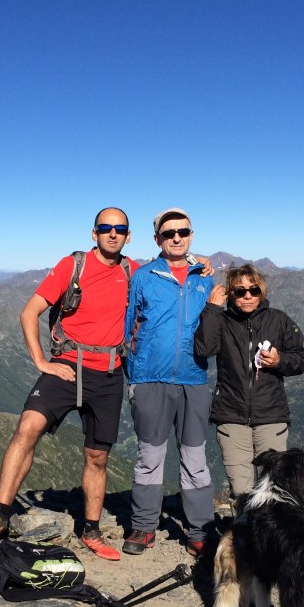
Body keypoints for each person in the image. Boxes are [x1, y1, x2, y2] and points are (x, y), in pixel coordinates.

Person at [0, 208, 137, 561]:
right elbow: (29, 311)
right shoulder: (72, 266)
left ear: (127, 235)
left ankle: (90, 529)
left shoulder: (132, 271)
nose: (112, 234)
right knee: (28, 427)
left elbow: (166, 277)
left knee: (97, 455)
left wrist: (195, 260)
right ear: (94, 233)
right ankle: (0, 515)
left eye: (119, 229)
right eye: (105, 228)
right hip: (66, 366)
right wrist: (41, 362)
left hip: (108, 374)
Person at [122, 208, 216, 557]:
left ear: (191, 235)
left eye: (184, 232)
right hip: (149, 380)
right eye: (169, 232)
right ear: (157, 238)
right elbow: (127, 324)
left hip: (193, 380)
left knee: (195, 459)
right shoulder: (143, 276)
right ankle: (144, 527)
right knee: (150, 457)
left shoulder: (205, 278)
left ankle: (200, 531)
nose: (177, 237)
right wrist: (134, 373)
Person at [193, 263, 304, 503]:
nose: (247, 295)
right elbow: (204, 348)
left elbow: (300, 360)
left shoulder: (279, 320)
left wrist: (279, 360)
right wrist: (212, 309)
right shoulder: (221, 320)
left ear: (261, 292)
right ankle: (245, 538)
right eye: (239, 291)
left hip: (271, 418)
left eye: (253, 290)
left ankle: (272, 538)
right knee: (241, 492)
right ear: (230, 294)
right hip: (231, 418)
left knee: (276, 490)